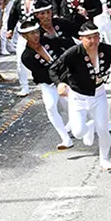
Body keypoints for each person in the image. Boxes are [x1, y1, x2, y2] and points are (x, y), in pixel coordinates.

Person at [52, 21, 111, 171]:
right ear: (81, 38)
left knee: (104, 129)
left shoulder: (106, 50)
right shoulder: (73, 53)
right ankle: (89, 126)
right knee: (78, 133)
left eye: (95, 37)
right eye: (89, 38)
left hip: (99, 94)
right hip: (77, 96)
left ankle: (104, 158)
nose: (93, 41)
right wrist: (59, 83)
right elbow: (53, 69)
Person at [18, 15, 72, 150]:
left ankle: (95, 124)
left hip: (65, 78)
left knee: (73, 105)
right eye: (31, 34)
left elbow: (67, 49)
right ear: (25, 36)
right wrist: (57, 81)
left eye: (36, 32)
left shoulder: (49, 40)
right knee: (50, 107)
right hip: (48, 83)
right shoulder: (27, 56)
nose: (36, 35)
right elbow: (40, 74)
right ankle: (65, 138)